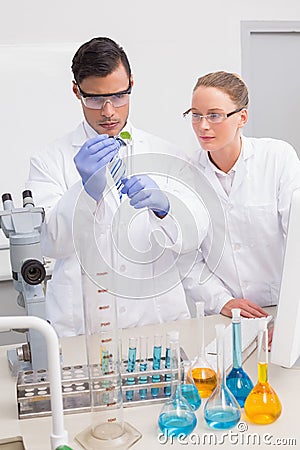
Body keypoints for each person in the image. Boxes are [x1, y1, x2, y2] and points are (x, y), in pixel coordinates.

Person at [26, 37, 207, 337]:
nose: (109, 111)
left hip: (158, 323)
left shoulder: (169, 154)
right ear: (77, 91)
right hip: (83, 330)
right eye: (95, 99)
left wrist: (165, 209)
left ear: (132, 84)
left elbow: (193, 238)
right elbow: (52, 244)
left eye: (119, 96)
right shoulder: (49, 160)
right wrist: (86, 192)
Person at [181, 70, 300, 321]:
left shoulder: (277, 158)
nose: (203, 126)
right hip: (223, 313)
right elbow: (187, 256)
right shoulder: (186, 172)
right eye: (196, 115)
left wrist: (289, 317)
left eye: (214, 115)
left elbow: (297, 240)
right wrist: (222, 301)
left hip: (283, 308)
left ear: (242, 117)